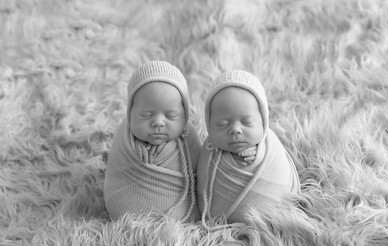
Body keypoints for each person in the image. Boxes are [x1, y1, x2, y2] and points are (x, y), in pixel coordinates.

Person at [197, 70, 300, 226]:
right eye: (222, 124)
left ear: (263, 121)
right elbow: (204, 181)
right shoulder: (209, 151)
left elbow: (278, 169)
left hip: (274, 217)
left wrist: (258, 156)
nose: (235, 130)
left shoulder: (271, 147)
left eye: (247, 122)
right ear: (209, 125)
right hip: (224, 223)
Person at [104, 61, 201, 222]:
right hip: (127, 209)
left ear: (184, 114)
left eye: (170, 116)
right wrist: (134, 148)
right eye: (145, 115)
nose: (158, 123)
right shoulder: (124, 135)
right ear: (130, 114)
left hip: (178, 209)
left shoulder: (188, 135)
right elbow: (116, 169)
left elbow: (201, 171)